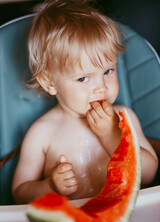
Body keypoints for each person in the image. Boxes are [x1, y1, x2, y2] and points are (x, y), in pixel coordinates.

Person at [12, 0, 158, 204]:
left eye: (108, 71)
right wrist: (50, 187)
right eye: (83, 78)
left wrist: (112, 135)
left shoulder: (125, 117)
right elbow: (20, 192)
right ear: (49, 82)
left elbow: (149, 173)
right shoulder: (42, 133)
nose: (102, 88)